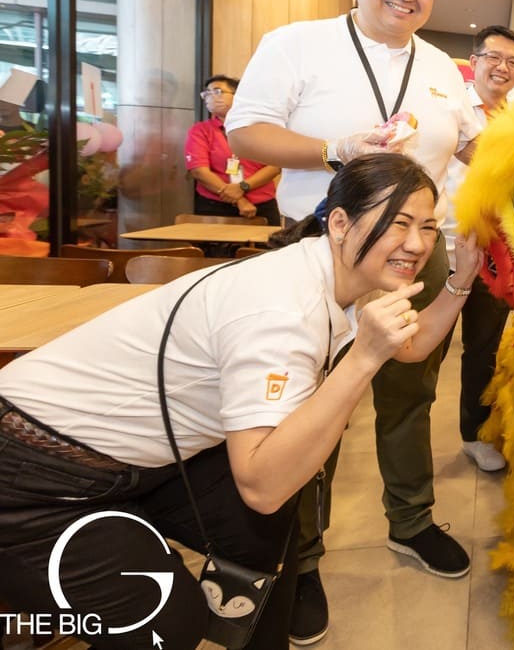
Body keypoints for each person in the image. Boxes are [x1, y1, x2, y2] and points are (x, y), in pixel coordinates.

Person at [0, 153, 482, 650]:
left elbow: (411, 345)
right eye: (398, 223)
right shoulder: (281, 307)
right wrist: (362, 360)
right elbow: (262, 484)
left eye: (428, 226)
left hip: (144, 460)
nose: (419, 244)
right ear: (340, 222)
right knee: (166, 624)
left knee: (261, 534)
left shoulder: (336, 274)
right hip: (31, 473)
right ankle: (22, 622)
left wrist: (461, 279)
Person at [223, 0, 481, 644]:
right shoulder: (296, 42)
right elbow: (247, 133)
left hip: (412, 253)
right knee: (314, 410)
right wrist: (335, 148)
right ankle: (300, 559)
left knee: (409, 391)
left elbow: (468, 144)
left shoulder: (440, 69)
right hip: (319, 251)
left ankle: (412, 520)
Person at [441, 25, 514, 473]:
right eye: (493, 57)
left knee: (484, 347)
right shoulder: (451, 107)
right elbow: (474, 155)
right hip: (447, 245)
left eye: (513, 61)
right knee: (428, 348)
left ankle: (474, 434)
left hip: (500, 252)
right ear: (474, 61)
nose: (502, 67)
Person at [184, 75, 281, 225]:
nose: (210, 97)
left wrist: (243, 187)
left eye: (217, 91)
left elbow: (275, 166)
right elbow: (199, 171)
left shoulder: (261, 127)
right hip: (214, 206)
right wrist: (239, 199)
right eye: (207, 93)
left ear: (238, 96)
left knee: (265, 248)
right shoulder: (200, 130)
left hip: (261, 204)